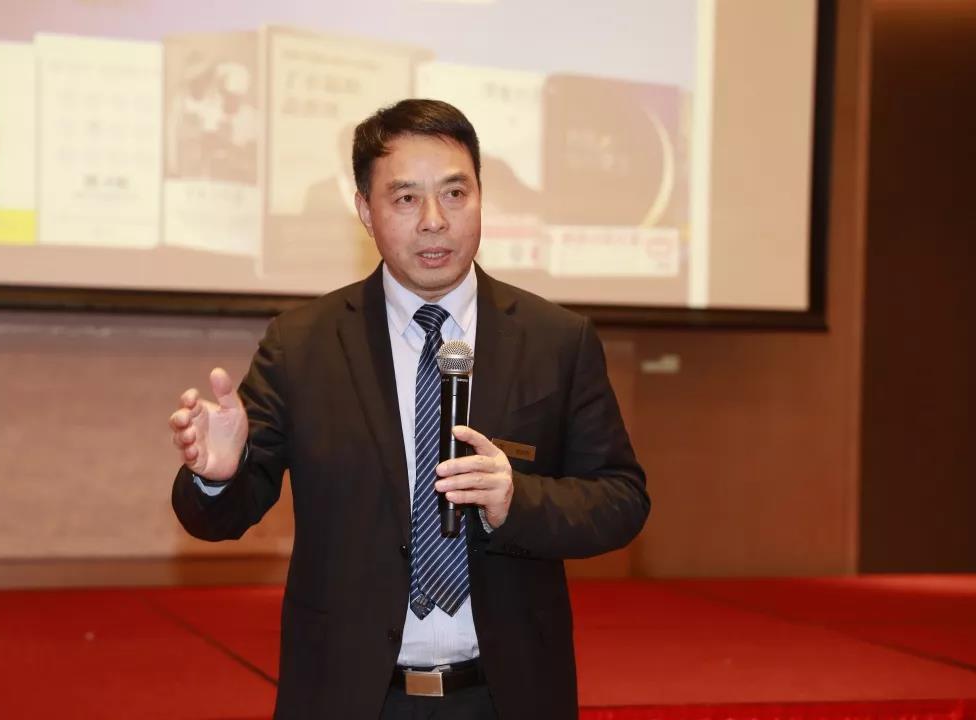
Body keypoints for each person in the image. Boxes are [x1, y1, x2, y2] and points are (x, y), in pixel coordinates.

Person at [168, 99, 649, 719]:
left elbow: (621, 500)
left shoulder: (555, 340)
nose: (434, 221)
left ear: (481, 198)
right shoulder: (304, 345)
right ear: (365, 211)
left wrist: (516, 501)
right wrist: (218, 475)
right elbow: (220, 518)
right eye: (404, 198)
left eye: (455, 194)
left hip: (505, 696)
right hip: (352, 698)